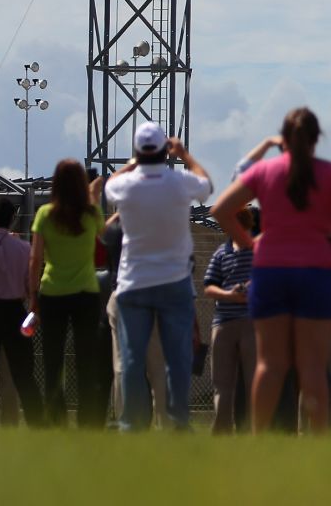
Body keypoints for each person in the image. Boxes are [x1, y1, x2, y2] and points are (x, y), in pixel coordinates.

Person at [210, 109, 331, 434]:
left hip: (270, 271)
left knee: (269, 366)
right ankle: (318, 444)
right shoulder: (330, 174)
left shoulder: (264, 171)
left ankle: (259, 441)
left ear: (283, 140)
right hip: (316, 272)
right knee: (313, 368)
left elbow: (221, 209)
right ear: (317, 139)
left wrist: (248, 243)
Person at [105, 122, 212, 431]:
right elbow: (206, 184)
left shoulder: (126, 186)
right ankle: (178, 421)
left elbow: (110, 183)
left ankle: (132, 423)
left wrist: (133, 162)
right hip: (174, 279)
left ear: (138, 152)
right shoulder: (179, 183)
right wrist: (185, 154)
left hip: (134, 280)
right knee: (176, 357)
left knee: (131, 358)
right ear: (166, 151)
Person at [28, 159, 105, 427]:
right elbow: (102, 235)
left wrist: (33, 296)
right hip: (86, 292)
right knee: (86, 359)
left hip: (53, 291)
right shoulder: (91, 213)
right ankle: (89, 420)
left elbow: (35, 259)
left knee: (52, 361)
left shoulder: (45, 214)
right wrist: (94, 196)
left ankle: (56, 418)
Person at [101, 213, 168, 428]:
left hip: (121, 293)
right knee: (157, 365)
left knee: (122, 364)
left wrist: (121, 211)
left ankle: (127, 420)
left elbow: (101, 232)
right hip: (152, 293)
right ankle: (165, 422)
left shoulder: (115, 230)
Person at [0, 199, 43, 426]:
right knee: (23, 373)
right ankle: (37, 422)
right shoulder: (24, 248)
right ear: (13, 217)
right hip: (14, 310)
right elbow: (30, 286)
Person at [203, 207, 256, 435]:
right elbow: (209, 286)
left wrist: (247, 289)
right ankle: (222, 430)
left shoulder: (258, 250)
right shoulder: (220, 252)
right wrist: (229, 296)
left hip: (252, 323)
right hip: (223, 322)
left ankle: (255, 431)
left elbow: (264, 275)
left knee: (254, 382)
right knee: (222, 384)